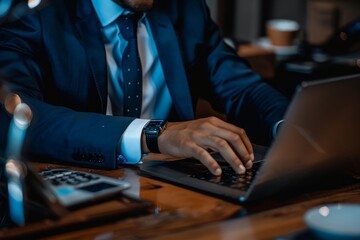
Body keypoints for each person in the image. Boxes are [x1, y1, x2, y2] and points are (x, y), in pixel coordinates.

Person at [0, 0, 289, 176]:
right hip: (77, 190)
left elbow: (240, 87)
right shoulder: (33, 14)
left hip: (173, 190)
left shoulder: (186, 8)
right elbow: (17, 118)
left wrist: (291, 126)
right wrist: (154, 134)